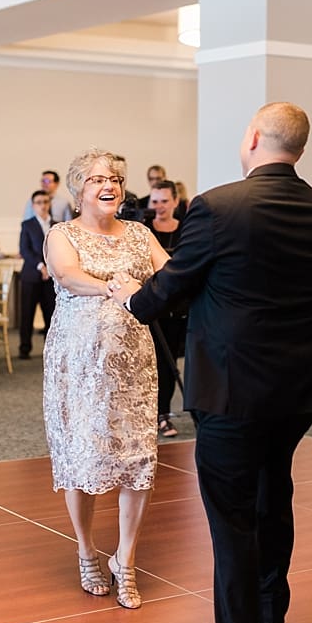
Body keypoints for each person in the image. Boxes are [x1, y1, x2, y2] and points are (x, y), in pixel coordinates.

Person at [110, 102, 312, 623]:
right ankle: (268, 616)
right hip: (300, 385)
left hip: (234, 387)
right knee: (274, 491)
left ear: (253, 138)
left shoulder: (217, 206)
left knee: (232, 515)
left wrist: (130, 293)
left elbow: (172, 289)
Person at [42, 149, 168, 612]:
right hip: (78, 365)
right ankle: (85, 550)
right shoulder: (63, 234)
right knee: (83, 456)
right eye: (96, 179)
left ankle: (126, 559)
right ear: (79, 191)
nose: (108, 184)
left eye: (114, 177)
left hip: (134, 362)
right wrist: (114, 286)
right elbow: (68, 275)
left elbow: (169, 272)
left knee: (137, 457)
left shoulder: (139, 233)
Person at [144, 181, 187, 438]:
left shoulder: (185, 230)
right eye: (155, 201)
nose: (159, 207)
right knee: (147, 363)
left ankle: (164, 414)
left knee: (168, 364)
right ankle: (147, 415)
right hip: (148, 305)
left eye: (163, 201)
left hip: (174, 307)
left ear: (174, 201)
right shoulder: (143, 230)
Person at [17, 190, 55, 360]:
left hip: (51, 278)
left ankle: (51, 348)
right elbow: (25, 250)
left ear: (49, 204)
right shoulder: (27, 225)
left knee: (51, 314)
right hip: (31, 276)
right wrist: (41, 267)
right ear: (33, 206)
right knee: (27, 314)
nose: (43, 205)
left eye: (45, 201)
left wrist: (51, 268)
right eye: (39, 202)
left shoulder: (57, 225)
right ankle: (24, 348)